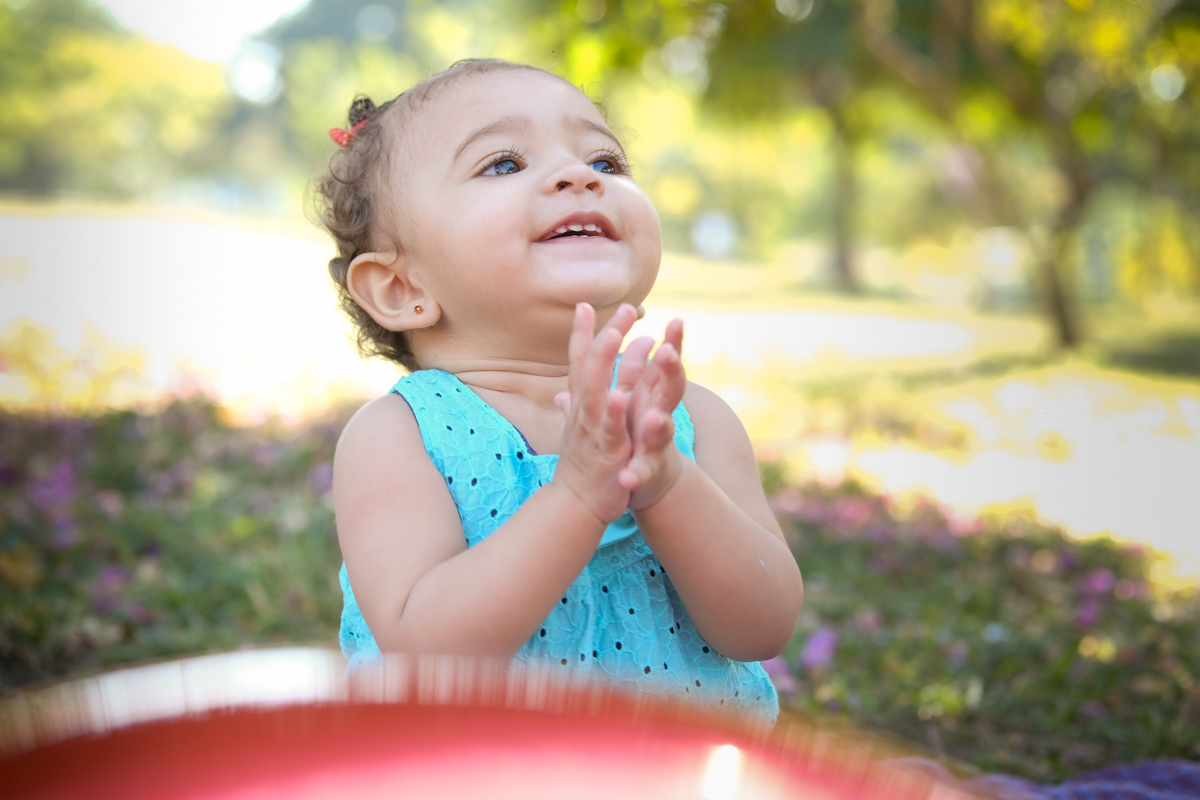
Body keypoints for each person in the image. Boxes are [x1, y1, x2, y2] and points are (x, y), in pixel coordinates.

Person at [317, 58, 803, 724]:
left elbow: (762, 628)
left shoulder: (690, 421)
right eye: (503, 164)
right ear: (403, 289)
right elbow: (426, 656)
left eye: (606, 162)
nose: (580, 176)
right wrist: (577, 495)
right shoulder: (399, 439)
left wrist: (666, 483)